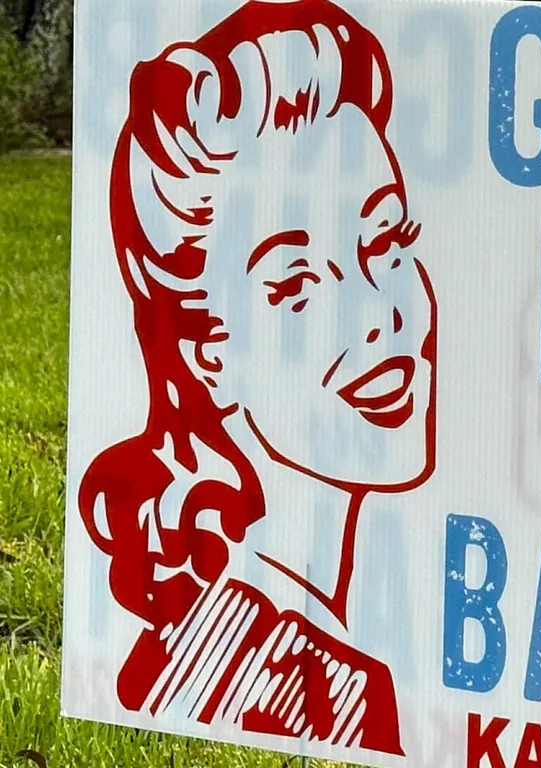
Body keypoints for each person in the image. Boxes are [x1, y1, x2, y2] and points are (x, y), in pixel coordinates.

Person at [80, 0, 434, 755]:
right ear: (207, 351)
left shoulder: (338, 661)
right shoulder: (277, 683)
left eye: (389, 243)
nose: (381, 312)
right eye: (297, 280)